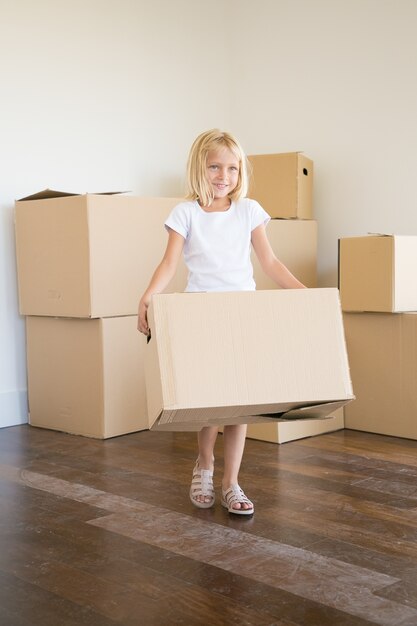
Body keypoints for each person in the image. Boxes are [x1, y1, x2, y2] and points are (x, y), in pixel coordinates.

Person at [138, 129, 305, 516]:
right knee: (212, 404)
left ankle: (231, 481)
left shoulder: (249, 210)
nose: (223, 175)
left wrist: (306, 294)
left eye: (232, 167)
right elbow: (169, 264)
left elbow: (270, 263)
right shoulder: (185, 213)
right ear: (200, 168)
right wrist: (147, 296)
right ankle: (205, 465)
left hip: (242, 313)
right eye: (215, 166)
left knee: (238, 405)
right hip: (202, 314)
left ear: (240, 171)